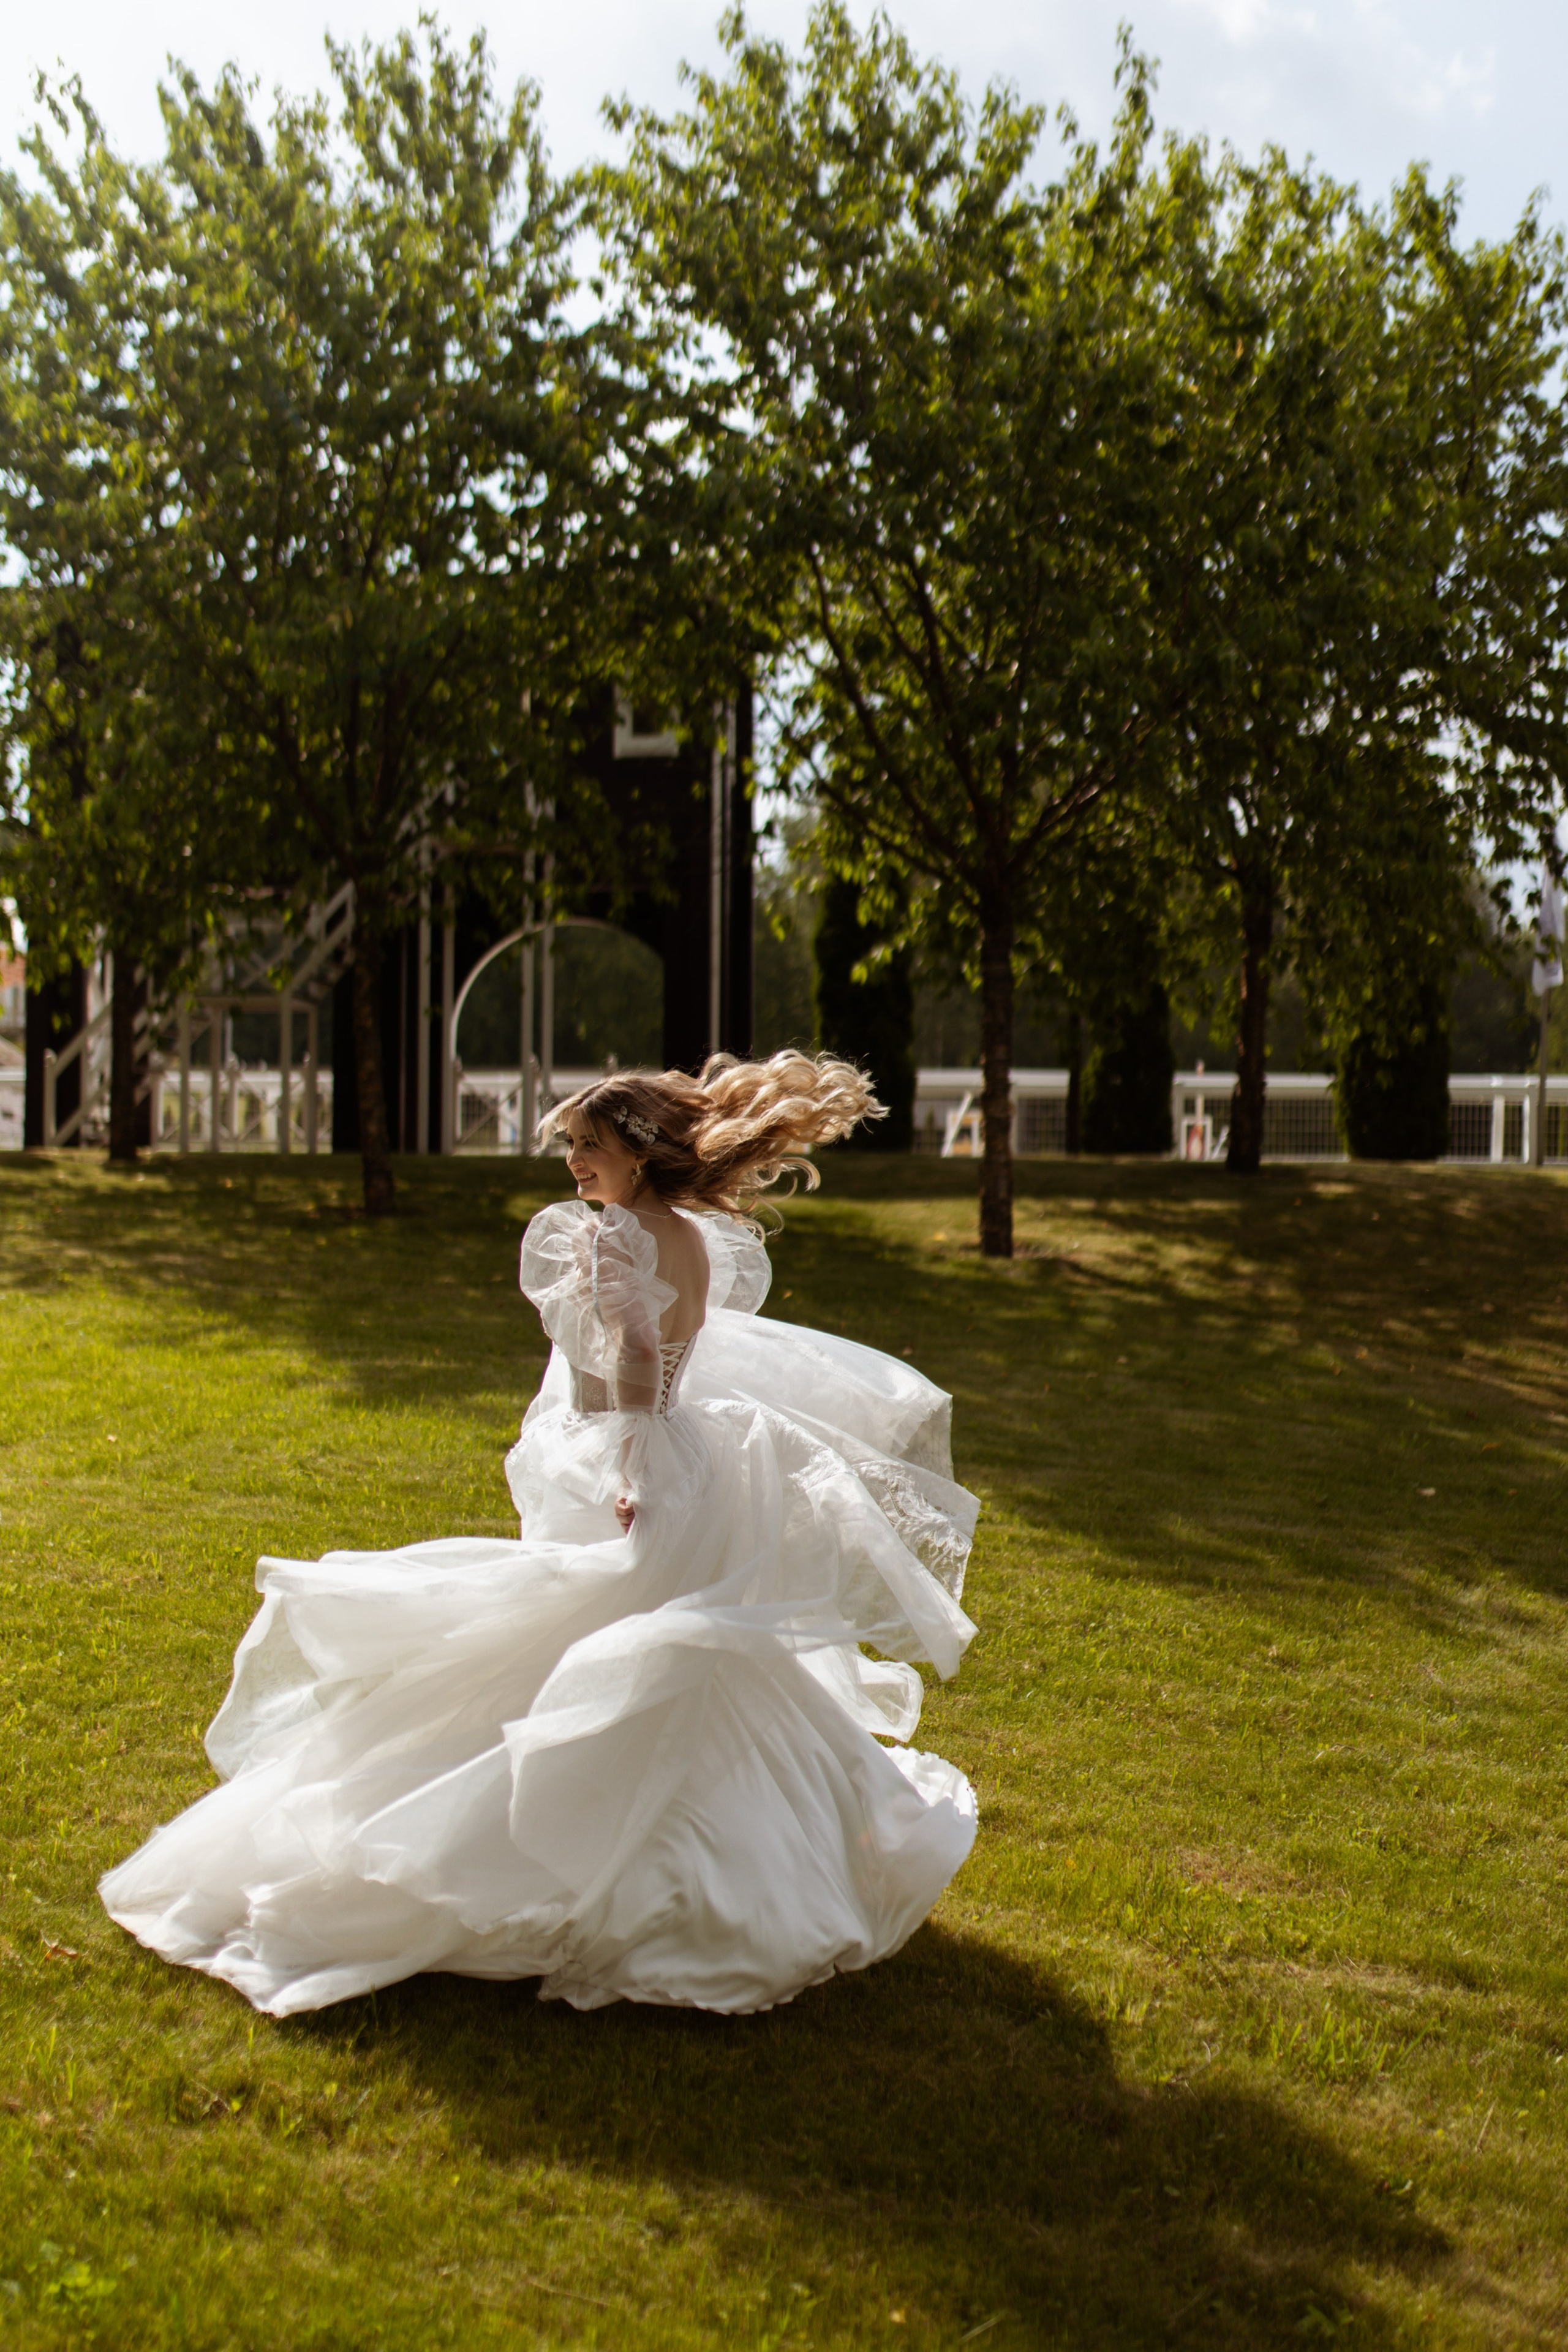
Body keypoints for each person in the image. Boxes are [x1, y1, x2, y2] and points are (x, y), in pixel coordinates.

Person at [100, 1051, 979, 2017]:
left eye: (588, 1145)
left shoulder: (615, 1237)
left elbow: (638, 1351)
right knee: (680, 1654)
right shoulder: (690, 1233)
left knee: (605, 1640)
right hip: (696, 1456)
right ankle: (732, 1859)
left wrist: (632, 1463)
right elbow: (678, 1346)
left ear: (637, 1154)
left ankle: (573, 1856)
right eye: (571, 1145)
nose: (573, 1163)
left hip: (644, 1457)